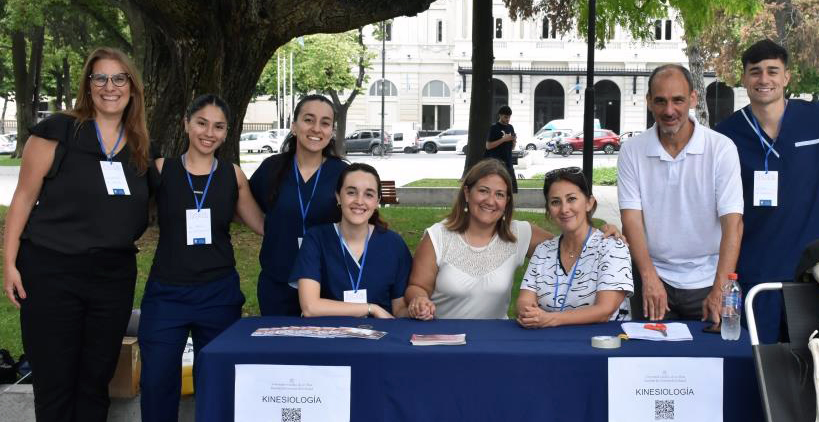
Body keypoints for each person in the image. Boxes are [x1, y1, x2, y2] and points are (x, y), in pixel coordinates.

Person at [3, 48, 152, 422]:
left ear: (132, 87)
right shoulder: (58, 132)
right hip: (51, 269)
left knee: (95, 372)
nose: (110, 87)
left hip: (112, 274)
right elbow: (22, 199)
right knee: (55, 372)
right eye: (100, 79)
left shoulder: (138, 144)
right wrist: (9, 263)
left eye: (119, 79)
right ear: (87, 85)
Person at [137, 94, 264, 422]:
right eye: (202, 123)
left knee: (218, 382)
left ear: (227, 132)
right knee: (157, 381)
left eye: (219, 127)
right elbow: (127, 213)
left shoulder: (232, 175)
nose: (209, 133)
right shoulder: (162, 170)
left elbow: (262, 224)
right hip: (166, 294)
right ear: (186, 123)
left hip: (218, 293)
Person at [715, 40, 819, 345]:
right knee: (756, 359)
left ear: (787, 77)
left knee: (813, 358)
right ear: (744, 78)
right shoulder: (726, 134)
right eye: (755, 71)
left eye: (773, 71)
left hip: (813, 270)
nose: (764, 79)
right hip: (754, 269)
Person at [405, 159, 620, 320]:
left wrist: (604, 232)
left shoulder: (519, 234)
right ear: (467, 193)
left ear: (507, 201)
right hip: (443, 337)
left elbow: (571, 245)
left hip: (496, 341)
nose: (491, 201)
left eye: (500, 194)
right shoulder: (438, 236)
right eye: (483, 191)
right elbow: (417, 286)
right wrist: (418, 299)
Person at [619, 63, 743, 325]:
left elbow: (733, 224)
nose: (669, 110)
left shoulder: (721, 148)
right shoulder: (632, 150)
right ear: (649, 101)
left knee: (710, 352)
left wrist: (720, 288)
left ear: (693, 99)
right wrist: (648, 277)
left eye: (678, 100)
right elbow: (631, 220)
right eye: (660, 101)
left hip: (708, 279)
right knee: (648, 350)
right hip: (651, 276)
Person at [250, 94, 348, 315]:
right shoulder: (271, 168)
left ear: (332, 131)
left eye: (325, 123)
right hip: (278, 282)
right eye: (308, 120)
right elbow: (244, 204)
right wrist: (266, 227)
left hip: (328, 283)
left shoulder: (342, 173)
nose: (316, 128)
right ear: (294, 126)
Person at [291, 163, 412, 318]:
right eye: (351, 192)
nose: (359, 201)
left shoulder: (394, 244)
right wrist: (371, 308)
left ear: (377, 201)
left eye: (369, 195)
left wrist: (417, 310)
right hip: (329, 332)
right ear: (338, 196)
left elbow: (399, 309)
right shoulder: (316, 239)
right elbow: (310, 307)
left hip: (380, 332)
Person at [517, 167, 632, 327]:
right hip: (549, 339)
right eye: (555, 202)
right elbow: (524, 300)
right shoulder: (543, 250)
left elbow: (605, 310)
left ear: (589, 203)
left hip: (603, 339)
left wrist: (550, 319)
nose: (564, 209)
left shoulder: (612, 247)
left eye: (571, 199)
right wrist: (529, 314)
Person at [483, 105, 517, 192]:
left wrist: (513, 141)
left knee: (511, 189)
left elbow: (512, 148)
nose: (508, 119)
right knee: (496, 189)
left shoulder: (510, 127)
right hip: (496, 164)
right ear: (500, 115)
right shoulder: (494, 128)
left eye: (509, 117)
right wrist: (503, 139)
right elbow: (488, 146)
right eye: (505, 117)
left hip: (508, 163)